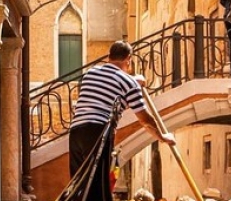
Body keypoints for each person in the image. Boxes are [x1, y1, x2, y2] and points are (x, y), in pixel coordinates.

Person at [68, 40, 175, 178]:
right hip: (98, 131)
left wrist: (133, 79)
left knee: (78, 181)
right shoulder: (129, 83)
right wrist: (162, 137)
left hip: (76, 131)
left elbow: (109, 87)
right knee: (99, 182)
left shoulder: (90, 73)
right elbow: (145, 120)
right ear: (129, 59)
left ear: (109, 56)